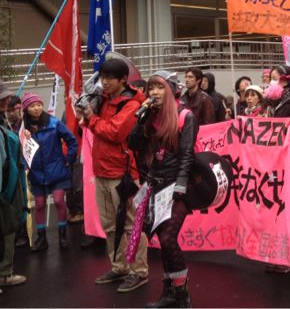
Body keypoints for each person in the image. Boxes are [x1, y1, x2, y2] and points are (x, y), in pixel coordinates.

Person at [77, 58, 149, 292]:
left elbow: (115, 132)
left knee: (130, 224)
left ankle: (139, 271)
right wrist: (87, 114)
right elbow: (93, 126)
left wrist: (91, 118)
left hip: (123, 174)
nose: (105, 82)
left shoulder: (132, 104)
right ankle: (120, 267)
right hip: (102, 171)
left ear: (123, 80)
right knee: (109, 225)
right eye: (102, 77)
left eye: (110, 78)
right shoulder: (104, 99)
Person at [128, 71, 197, 308]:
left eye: (159, 87)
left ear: (171, 90)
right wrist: (140, 120)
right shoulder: (149, 116)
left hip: (176, 186)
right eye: (151, 88)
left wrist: (181, 185)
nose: (154, 92)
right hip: (154, 185)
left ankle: (183, 295)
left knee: (168, 238)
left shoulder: (185, 116)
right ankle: (169, 292)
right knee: (160, 238)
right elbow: (133, 144)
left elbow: (187, 154)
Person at [21, 92, 78, 251]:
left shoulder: (54, 123)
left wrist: (69, 158)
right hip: (36, 173)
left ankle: (63, 236)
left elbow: (72, 140)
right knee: (39, 205)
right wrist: (25, 165)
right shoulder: (23, 128)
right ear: (26, 109)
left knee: (59, 201)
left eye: (39, 104)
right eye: (32, 106)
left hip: (57, 170)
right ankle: (41, 239)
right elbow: (21, 149)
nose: (37, 108)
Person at [263, 65, 290, 272]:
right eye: (270, 78)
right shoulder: (273, 101)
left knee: (288, 204)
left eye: (275, 78)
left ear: (286, 80)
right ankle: (279, 250)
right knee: (276, 204)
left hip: (286, 158)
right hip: (273, 158)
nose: (271, 82)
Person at [0, 80, 27, 290]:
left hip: (8, 187)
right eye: (3, 98)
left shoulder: (3, 123)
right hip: (4, 192)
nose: (7, 100)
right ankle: (4, 274)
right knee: (6, 231)